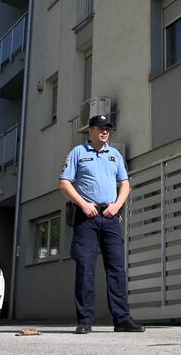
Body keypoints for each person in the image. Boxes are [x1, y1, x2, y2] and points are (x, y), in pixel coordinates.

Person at [59, 114, 145, 334]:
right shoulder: (78, 153)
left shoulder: (115, 155)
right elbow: (64, 183)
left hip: (110, 216)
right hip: (85, 217)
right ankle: (85, 320)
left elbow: (125, 184)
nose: (104, 131)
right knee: (85, 268)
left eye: (107, 128)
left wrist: (117, 205)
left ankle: (122, 319)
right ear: (90, 131)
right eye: (99, 128)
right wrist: (82, 203)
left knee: (117, 268)